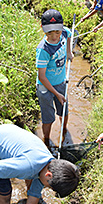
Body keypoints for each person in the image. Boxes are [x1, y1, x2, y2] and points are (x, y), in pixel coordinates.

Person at [36, 9, 73, 147]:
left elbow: (69, 34)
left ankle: (64, 131)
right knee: (48, 117)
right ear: (43, 29)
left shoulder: (63, 32)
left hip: (61, 83)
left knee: (64, 110)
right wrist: (56, 94)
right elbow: (42, 76)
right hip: (45, 87)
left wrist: (69, 52)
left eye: (57, 32)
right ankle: (46, 140)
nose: (54, 36)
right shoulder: (43, 50)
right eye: (49, 33)